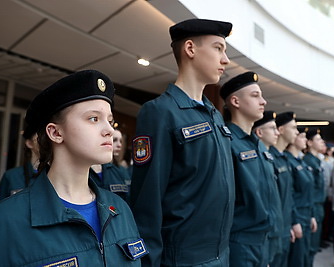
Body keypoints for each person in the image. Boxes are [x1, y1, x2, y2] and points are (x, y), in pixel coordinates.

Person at [0, 70, 147, 266]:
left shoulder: (120, 210)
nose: (109, 130)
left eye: (109, 120)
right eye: (93, 118)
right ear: (56, 132)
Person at [130, 18, 235, 266]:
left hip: (221, 255)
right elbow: (147, 201)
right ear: (190, 49)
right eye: (218, 48)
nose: (226, 59)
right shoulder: (160, 112)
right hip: (182, 259)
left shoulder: (215, 114)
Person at [220, 72, 281, 266]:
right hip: (239, 242)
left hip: (262, 241)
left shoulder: (259, 145)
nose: (263, 101)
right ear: (235, 101)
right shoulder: (226, 143)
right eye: (255, 95)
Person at [252, 110, 284, 264]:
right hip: (261, 235)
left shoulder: (267, 156)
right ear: (259, 132)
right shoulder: (254, 156)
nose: (277, 132)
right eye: (272, 128)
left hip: (274, 230)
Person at [269, 111, 299, 267]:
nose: (297, 132)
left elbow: (288, 196)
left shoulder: (284, 158)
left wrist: (292, 224)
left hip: (285, 228)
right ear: (281, 130)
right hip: (274, 232)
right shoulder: (270, 158)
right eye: (293, 128)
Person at [285, 127, 318, 267]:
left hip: (306, 214)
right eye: (302, 136)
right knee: (297, 260)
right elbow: (289, 195)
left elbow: (308, 193)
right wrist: (295, 220)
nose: (305, 140)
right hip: (297, 215)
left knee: (306, 256)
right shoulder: (288, 161)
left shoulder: (301, 161)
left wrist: (311, 215)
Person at [0, 130, 39, 204]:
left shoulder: (52, 176)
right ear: (29, 143)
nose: (46, 143)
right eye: (40, 138)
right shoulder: (12, 176)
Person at [303, 128, 326, 263]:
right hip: (312, 207)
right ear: (309, 143)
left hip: (318, 206)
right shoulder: (308, 161)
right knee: (309, 247)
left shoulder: (316, 161)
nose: (322, 142)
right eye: (318, 139)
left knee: (314, 245)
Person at [90, 128, 131, 202]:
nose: (119, 145)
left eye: (121, 141)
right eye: (114, 140)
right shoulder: (86, 170)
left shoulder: (121, 172)